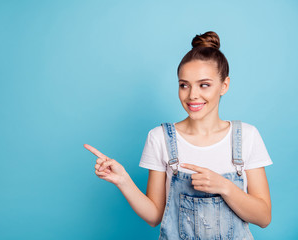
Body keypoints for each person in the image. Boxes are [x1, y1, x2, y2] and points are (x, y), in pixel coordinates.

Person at [84, 31, 272, 239]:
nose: (192, 94)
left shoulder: (246, 136)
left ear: (224, 85)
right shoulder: (160, 138)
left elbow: (263, 218)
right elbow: (155, 216)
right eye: (184, 85)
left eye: (204, 85)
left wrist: (224, 187)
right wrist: (123, 180)